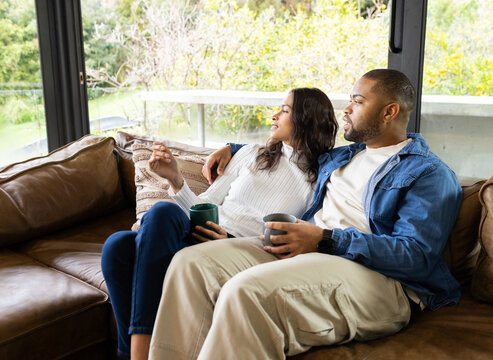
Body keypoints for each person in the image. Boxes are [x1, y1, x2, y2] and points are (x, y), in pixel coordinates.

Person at [148, 69, 463, 360]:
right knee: (191, 264)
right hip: (309, 249)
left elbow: (417, 255)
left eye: (358, 101)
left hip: (378, 279)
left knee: (245, 292)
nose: (347, 109)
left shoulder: (428, 173)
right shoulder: (342, 157)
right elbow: (293, 146)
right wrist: (232, 147)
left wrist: (326, 239)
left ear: (389, 111)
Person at [101, 87, 339, 360]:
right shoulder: (251, 154)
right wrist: (175, 179)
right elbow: (206, 205)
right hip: (202, 229)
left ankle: (135, 354)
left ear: (307, 120)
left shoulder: (319, 181)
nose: (274, 115)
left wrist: (229, 242)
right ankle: (136, 352)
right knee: (122, 241)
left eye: (284, 111)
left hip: (237, 248)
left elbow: (297, 234)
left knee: (132, 238)